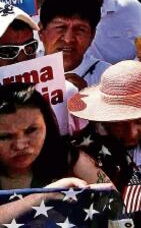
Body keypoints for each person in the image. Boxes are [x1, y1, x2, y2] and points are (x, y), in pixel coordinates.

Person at [68, 60, 141, 227]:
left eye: (140, 121)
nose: (132, 132)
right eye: (119, 123)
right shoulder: (87, 149)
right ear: (105, 119)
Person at [0, 84, 106, 223]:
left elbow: (114, 203)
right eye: (5, 137)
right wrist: (42, 197)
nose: (20, 145)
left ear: (47, 124)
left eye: (31, 130)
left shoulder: (68, 158)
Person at [38, 0, 110, 88]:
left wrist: (88, 96)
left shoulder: (108, 78)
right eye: (60, 28)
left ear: (92, 35)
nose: (68, 39)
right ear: (41, 31)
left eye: (80, 29)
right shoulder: (20, 71)